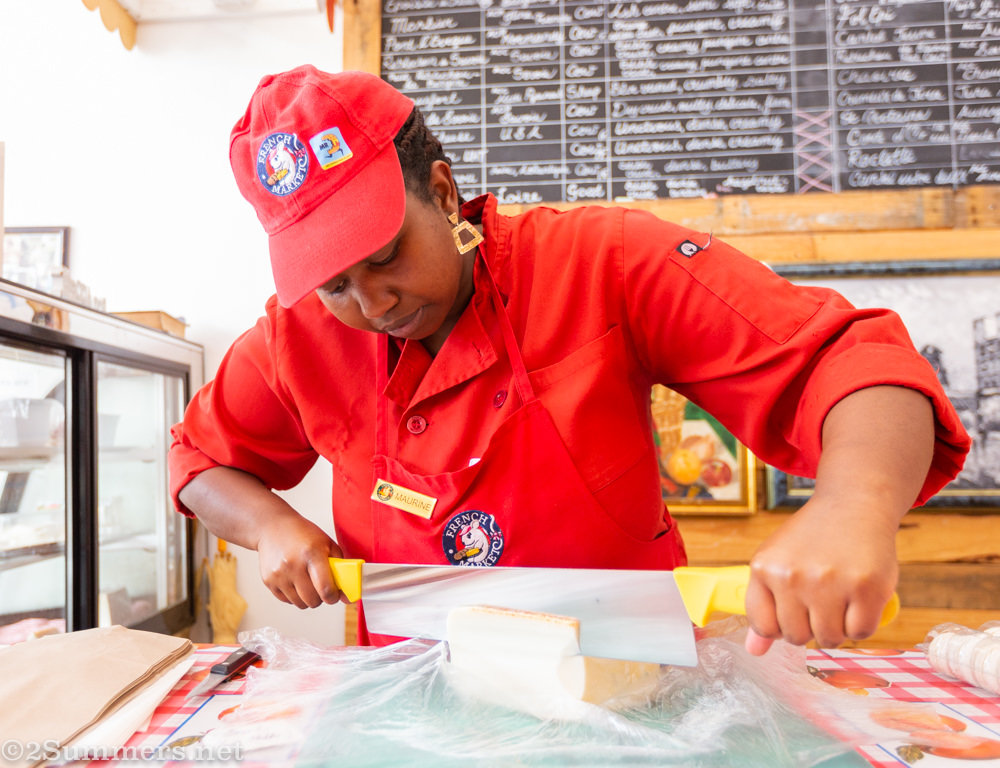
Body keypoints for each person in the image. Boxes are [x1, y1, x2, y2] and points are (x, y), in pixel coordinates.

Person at [169, 65, 971, 654]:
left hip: (636, 679)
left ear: (443, 195)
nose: (371, 304)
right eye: (333, 283)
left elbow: (853, 361)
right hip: (414, 698)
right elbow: (197, 461)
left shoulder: (604, 262)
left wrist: (851, 508)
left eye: (384, 256)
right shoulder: (296, 337)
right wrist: (271, 525)